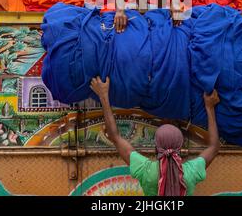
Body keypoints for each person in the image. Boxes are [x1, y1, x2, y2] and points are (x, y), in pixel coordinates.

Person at [90, 76, 220, 196]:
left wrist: (103, 96)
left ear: (156, 148)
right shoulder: (191, 173)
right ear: (180, 148)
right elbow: (214, 147)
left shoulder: (146, 171)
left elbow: (115, 136)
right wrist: (209, 107)